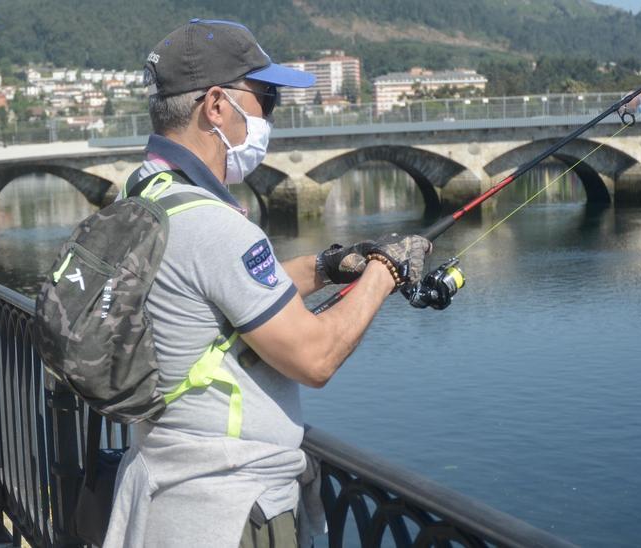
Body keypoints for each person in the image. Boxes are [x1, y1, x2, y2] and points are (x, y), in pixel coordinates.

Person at [103, 19, 432, 548]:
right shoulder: (215, 227)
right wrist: (385, 271)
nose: (268, 116)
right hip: (228, 508)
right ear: (215, 106)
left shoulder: (145, 197)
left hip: (162, 487)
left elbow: (220, 296)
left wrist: (329, 266)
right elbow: (316, 357)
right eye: (266, 99)